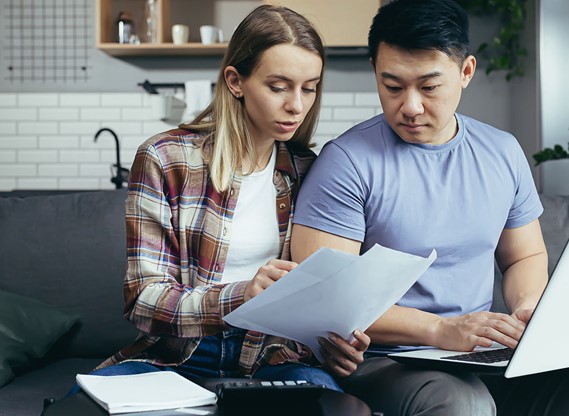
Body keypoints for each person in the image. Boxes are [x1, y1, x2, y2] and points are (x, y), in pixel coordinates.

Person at [290, 0, 569, 414]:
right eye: (392, 86)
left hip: (476, 354)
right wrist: (440, 329)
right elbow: (327, 301)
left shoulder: (502, 152)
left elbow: (524, 256)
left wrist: (529, 306)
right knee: (464, 403)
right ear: (375, 70)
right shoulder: (346, 162)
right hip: (385, 360)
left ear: (465, 72)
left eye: (428, 87)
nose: (409, 106)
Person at [88, 4, 369, 392]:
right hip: (181, 355)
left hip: (272, 357)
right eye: (278, 86)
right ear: (235, 81)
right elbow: (142, 299)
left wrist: (334, 345)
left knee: (332, 404)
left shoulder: (310, 170)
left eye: (309, 87)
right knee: (81, 404)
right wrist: (241, 296)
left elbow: (317, 298)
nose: (297, 106)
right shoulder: (165, 159)